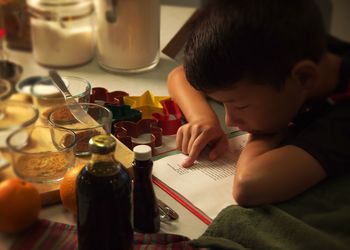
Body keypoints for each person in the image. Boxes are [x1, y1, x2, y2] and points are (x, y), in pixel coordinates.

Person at [167, 0, 350, 206]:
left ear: (304, 78)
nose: (229, 121)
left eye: (241, 106)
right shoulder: (284, 47)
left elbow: (250, 185)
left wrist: (264, 133)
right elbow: (179, 75)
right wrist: (203, 118)